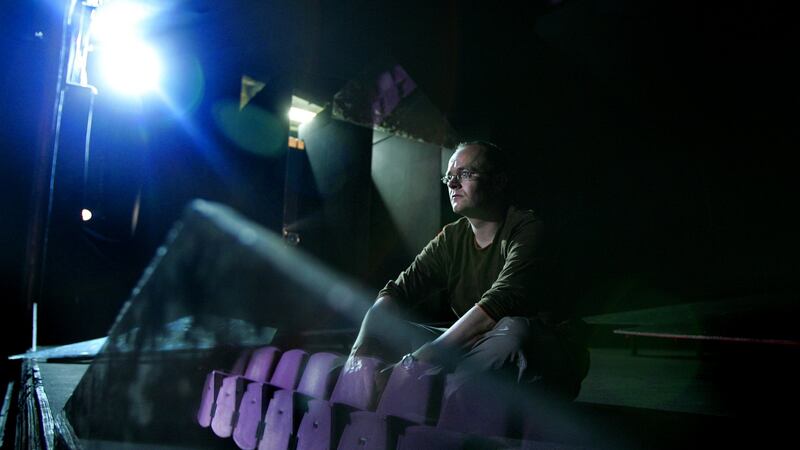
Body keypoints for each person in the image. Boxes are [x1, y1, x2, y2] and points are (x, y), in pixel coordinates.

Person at [350, 141, 589, 399]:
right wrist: (360, 353)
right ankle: (439, 391)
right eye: (449, 177)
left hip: (546, 354)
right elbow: (397, 292)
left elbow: (500, 303)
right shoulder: (452, 237)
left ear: (498, 182)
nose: (452, 184)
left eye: (465, 174)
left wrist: (415, 362)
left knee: (513, 331)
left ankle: (442, 396)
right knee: (392, 328)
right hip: (480, 347)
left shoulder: (527, 229)